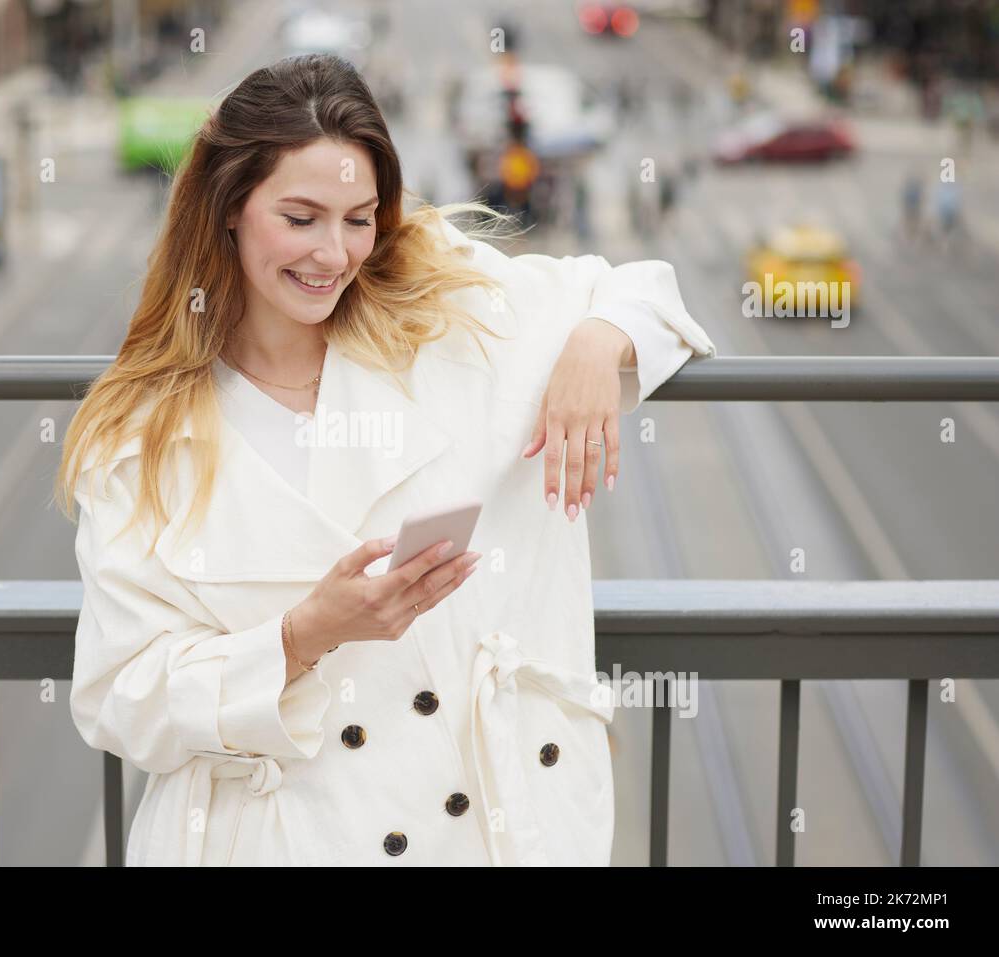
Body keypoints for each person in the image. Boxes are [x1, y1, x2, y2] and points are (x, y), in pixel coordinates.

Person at [55, 53, 717, 867]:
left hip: (474, 836)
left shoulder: (450, 316)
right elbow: (118, 699)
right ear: (229, 208)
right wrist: (301, 637)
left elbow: (648, 293)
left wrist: (596, 344)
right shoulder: (143, 432)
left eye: (359, 218)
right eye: (299, 218)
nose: (333, 255)